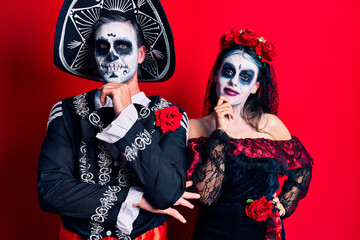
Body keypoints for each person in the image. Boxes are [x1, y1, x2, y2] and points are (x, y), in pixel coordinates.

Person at [37, 0, 199, 239]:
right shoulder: (66, 111)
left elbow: (166, 193)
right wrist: (133, 199)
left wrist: (126, 117)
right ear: (95, 54)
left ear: (141, 53)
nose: (111, 55)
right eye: (103, 47)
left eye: (123, 46)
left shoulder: (171, 114)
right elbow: (50, 191)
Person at [187, 29, 313, 240]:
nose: (234, 82)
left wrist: (284, 204)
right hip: (211, 233)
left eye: (245, 77)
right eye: (228, 72)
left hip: (262, 233)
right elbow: (206, 197)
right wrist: (220, 131)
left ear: (255, 87)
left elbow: (302, 167)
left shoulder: (269, 124)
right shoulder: (193, 127)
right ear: (216, 74)